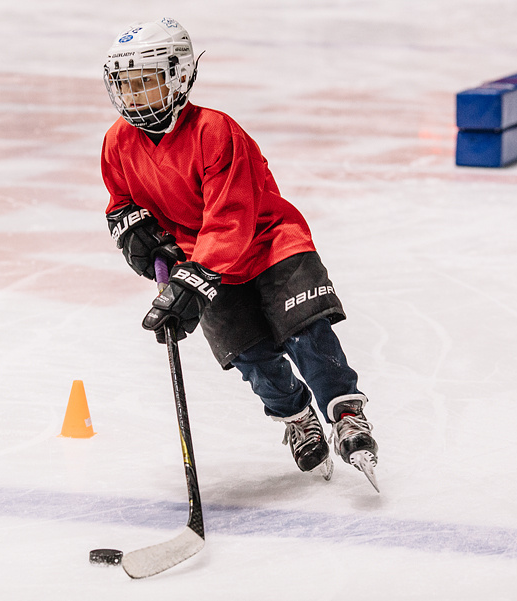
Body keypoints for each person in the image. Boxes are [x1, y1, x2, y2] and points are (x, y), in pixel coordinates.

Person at [100, 17, 379, 489]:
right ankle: (296, 417)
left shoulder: (215, 131)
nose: (133, 96)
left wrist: (194, 277)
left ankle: (347, 413)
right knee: (249, 354)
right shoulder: (117, 142)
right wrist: (134, 232)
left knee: (305, 334)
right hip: (201, 259)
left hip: (270, 243)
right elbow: (121, 202)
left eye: (145, 83)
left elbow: (232, 217)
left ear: (179, 76)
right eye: (125, 85)